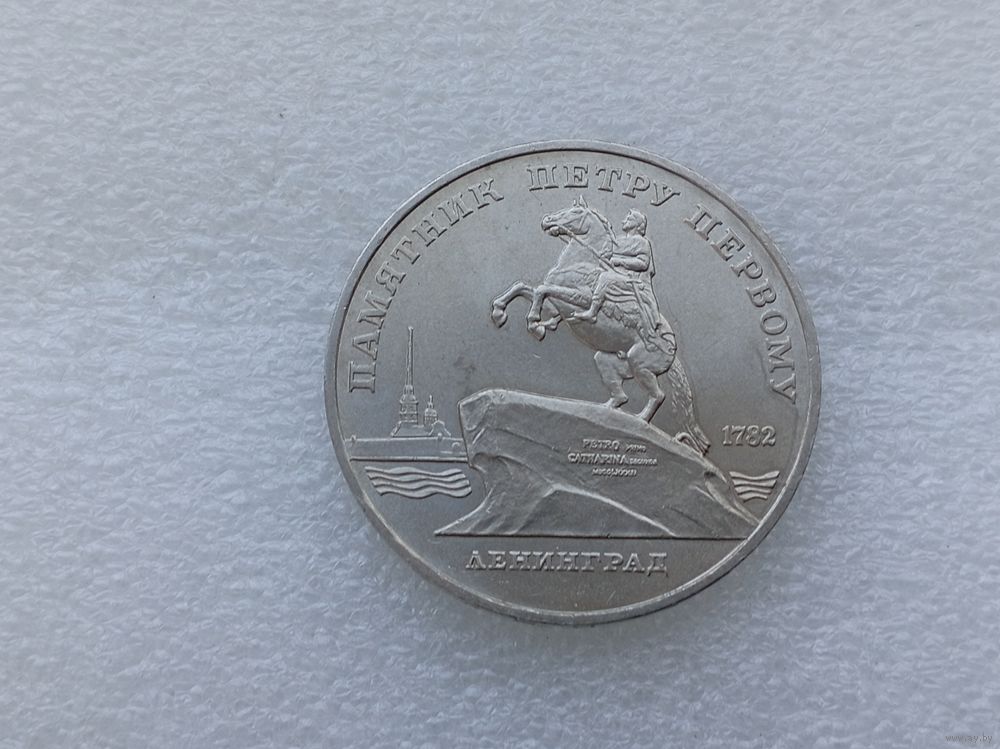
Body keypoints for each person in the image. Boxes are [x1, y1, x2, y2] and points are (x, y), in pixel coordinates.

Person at [571, 209, 662, 347]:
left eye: (628, 219)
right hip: (618, 276)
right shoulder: (618, 241)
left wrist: (619, 261)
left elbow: (643, 263)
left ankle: (592, 312)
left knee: (605, 277)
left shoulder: (642, 242)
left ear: (637, 224)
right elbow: (605, 255)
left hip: (633, 281)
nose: (623, 221)